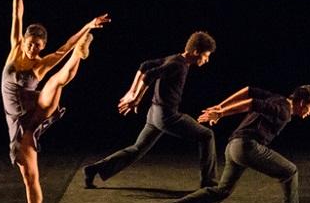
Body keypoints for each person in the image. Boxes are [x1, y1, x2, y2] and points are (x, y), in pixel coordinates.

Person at [2, 0, 109, 203]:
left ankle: (82, 52)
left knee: (57, 81)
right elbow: (17, 14)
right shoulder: (15, 49)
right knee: (30, 178)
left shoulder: (41, 63)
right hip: (20, 124)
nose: (34, 50)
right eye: (31, 44)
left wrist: (87, 27)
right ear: (23, 40)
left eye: (38, 47)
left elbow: (63, 45)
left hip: (38, 109)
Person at [161, 84, 310, 203]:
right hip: (247, 147)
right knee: (290, 172)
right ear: (301, 102)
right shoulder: (284, 110)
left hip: (233, 147)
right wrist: (221, 112)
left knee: (222, 190)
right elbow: (252, 102)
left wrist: (221, 106)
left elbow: (248, 90)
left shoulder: (277, 98)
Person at [82, 32, 218, 189]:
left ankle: (93, 170)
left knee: (137, 149)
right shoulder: (177, 65)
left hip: (154, 114)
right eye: (206, 56)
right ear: (196, 52)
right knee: (207, 135)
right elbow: (149, 74)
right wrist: (136, 99)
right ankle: (209, 182)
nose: (207, 60)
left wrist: (131, 91)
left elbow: (145, 65)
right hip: (167, 116)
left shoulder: (174, 58)